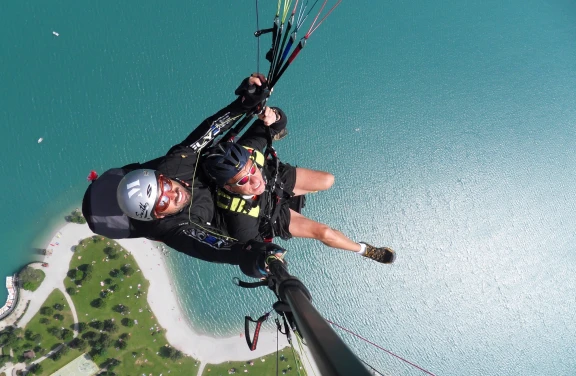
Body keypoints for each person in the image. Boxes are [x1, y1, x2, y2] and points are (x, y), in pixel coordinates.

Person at [202, 105, 395, 264]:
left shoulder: (248, 151)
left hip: (274, 181)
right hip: (268, 214)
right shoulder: (240, 222)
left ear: (251, 160)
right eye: (243, 180)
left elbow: (279, 122)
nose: (254, 180)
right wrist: (271, 261)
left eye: (252, 170)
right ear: (228, 188)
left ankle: (292, 194)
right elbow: (255, 250)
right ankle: (364, 250)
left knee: (328, 180)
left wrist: (273, 116)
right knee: (324, 232)